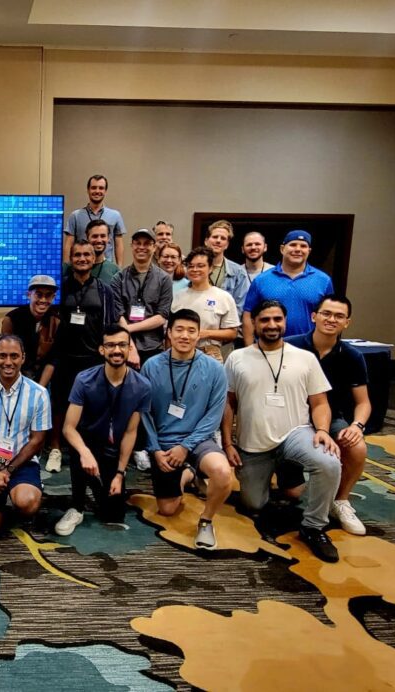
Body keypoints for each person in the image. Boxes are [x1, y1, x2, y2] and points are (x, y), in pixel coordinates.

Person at [222, 300, 342, 562]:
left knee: (329, 464)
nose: (272, 325)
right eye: (264, 320)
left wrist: (322, 429)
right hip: (253, 442)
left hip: (295, 434)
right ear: (254, 323)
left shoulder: (305, 358)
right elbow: (228, 404)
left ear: (285, 322)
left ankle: (314, 526)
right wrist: (228, 444)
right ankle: (283, 475)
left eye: (277, 319)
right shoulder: (237, 358)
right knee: (253, 504)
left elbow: (320, 402)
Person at [141, 310, 233, 550]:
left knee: (223, 473)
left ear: (199, 335)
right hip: (163, 442)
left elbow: (213, 416)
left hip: (199, 439)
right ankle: (189, 474)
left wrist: (186, 446)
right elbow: (145, 413)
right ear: (169, 333)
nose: (185, 335)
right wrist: (155, 450)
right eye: (179, 330)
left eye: (191, 331)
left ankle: (206, 520)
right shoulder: (151, 366)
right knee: (168, 509)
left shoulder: (214, 369)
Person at [286, 294, 371, 536]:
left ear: (347, 322)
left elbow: (363, 403)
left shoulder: (353, 356)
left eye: (339, 316)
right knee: (292, 493)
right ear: (314, 316)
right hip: (292, 418)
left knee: (357, 447)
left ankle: (340, 500)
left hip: (332, 417)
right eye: (326, 313)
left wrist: (357, 426)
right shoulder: (290, 346)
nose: (331, 319)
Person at [54, 325, 150, 536]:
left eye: (122, 345)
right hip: (87, 444)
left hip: (113, 450)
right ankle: (77, 507)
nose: (116, 350)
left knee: (113, 514)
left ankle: (101, 484)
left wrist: (120, 473)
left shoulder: (142, 387)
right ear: (101, 350)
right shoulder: (84, 379)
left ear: (129, 348)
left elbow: (130, 433)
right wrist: (85, 453)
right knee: (81, 449)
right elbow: (68, 428)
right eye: (111, 345)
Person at [43, 240, 117, 473]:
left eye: (87, 254)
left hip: (93, 359)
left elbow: (111, 323)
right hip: (64, 357)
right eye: (77, 255)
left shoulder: (104, 290)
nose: (82, 258)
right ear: (71, 259)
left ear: (94, 258)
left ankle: (88, 449)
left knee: (93, 407)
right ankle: (55, 449)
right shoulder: (62, 288)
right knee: (59, 405)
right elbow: (51, 318)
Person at [0, 335, 51, 537]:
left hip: (22, 464)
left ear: (23, 358)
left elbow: (38, 439)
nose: (8, 362)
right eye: (2, 356)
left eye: (14, 356)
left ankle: (20, 493)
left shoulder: (39, 393)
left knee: (27, 503)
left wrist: (9, 469)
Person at [111, 227, 172, 470]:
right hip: (124, 350)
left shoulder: (163, 279)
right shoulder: (119, 278)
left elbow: (162, 316)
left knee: (150, 399)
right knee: (124, 398)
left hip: (153, 348)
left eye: (148, 243)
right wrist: (129, 346)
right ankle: (128, 447)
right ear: (132, 246)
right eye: (138, 243)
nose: (142, 247)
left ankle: (146, 446)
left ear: (154, 247)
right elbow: (118, 314)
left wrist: (130, 335)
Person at [243, 230, 334, 344]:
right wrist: (249, 348)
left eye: (303, 246)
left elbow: (331, 316)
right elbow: (248, 316)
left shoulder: (323, 280)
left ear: (309, 251)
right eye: (293, 245)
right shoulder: (262, 280)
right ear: (282, 249)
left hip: (310, 348)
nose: (298, 249)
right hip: (268, 347)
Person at [171, 246, 239, 361]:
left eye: (200, 266)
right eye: (191, 266)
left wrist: (204, 333)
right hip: (179, 351)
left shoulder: (223, 297)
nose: (195, 269)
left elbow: (232, 333)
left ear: (210, 268)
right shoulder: (178, 295)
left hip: (209, 352)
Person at [1, 274, 59, 384]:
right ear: (29, 295)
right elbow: (7, 357)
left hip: (44, 379)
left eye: (48, 295)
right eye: (38, 295)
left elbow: (53, 360)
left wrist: (40, 389)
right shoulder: (12, 319)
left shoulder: (56, 322)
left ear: (53, 297)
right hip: (15, 377)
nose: (43, 300)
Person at [63, 175, 126, 265]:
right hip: (81, 267)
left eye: (101, 188)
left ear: (105, 191)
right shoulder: (75, 216)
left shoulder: (115, 215)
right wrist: (66, 268)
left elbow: (119, 244)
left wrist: (119, 269)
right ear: (88, 190)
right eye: (93, 188)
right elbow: (68, 244)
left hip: (106, 269)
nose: (97, 191)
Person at [203, 220, 249, 314]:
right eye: (215, 237)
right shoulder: (192, 268)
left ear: (227, 245)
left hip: (226, 324)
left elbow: (239, 308)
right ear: (206, 241)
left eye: (223, 238)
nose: (218, 241)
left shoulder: (238, 272)